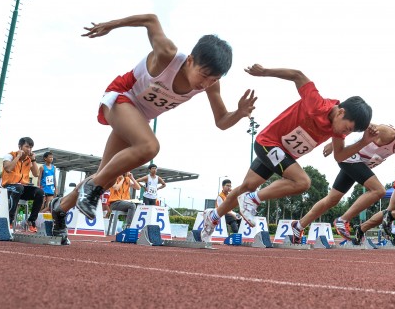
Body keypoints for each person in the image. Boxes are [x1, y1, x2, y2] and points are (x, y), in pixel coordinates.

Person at [49, 14, 256, 244]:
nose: (205, 83)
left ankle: (59, 207)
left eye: (213, 79)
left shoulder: (211, 85)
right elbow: (151, 20)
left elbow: (221, 121)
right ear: (189, 60)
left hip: (138, 117)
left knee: (105, 178)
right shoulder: (168, 55)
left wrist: (239, 113)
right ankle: (91, 187)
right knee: (149, 146)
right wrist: (110, 25)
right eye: (204, 75)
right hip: (121, 97)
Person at [201, 64, 373, 243]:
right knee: (302, 182)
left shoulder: (338, 131)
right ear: (341, 112)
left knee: (245, 187)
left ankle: (212, 217)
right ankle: (253, 200)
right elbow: (298, 75)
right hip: (268, 143)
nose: (346, 133)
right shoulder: (318, 103)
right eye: (348, 128)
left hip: (281, 154)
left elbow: (339, 156)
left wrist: (364, 141)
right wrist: (265, 72)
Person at [293, 118, 395, 241]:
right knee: (378, 190)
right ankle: (342, 220)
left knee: (332, 199)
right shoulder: (390, 133)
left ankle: (298, 226)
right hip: (350, 157)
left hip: (357, 163)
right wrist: (334, 142)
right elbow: (358, 122)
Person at [1, 137, 44, 232]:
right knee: (18, 188)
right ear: (20, 146)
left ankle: (31, 221)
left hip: (22, 187)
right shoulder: (10, 155)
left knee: (40, 192)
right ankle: (9, 220)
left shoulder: (29, 160)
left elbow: (36, 174)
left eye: (31, 147)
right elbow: (8, 168)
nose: (29, 150)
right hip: (8, 186)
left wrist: (33, 160)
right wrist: (17, 157)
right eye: (27, 147)